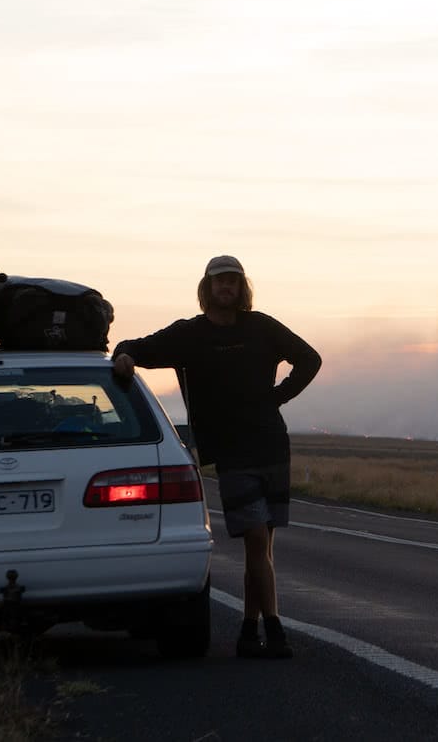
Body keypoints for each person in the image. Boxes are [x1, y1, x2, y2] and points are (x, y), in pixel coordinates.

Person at [111, 254, 321, 659]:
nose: (226, 288)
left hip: (271, 446)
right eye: (219, 282)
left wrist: (275, 399)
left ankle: (248, 631)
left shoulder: (261, 327)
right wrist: (123, 356)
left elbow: (309, 359)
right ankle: (274, 629)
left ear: (243, 287)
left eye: (233, 281)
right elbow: (137, 347)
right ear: (206, 288)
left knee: (261, 548)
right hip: (231, 452)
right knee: (257, 538)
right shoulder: (189, 335)